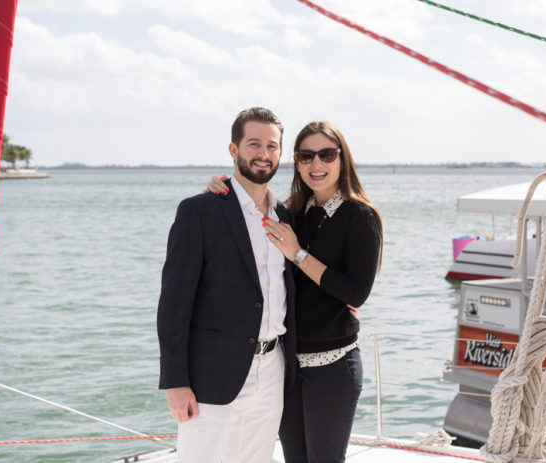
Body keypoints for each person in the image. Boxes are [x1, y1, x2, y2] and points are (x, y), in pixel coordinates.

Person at [206, 121, 382, 463]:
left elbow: (356, 293)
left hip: (333, 367)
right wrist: (220, 189)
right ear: (297, 162)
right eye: (306, 156)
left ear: (342, 159)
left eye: (326, 155)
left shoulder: (360, 216)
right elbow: (248, 219)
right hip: (287, 367)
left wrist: (299, 254)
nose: (316, 165)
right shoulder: (293, 212)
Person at [157, 107, 297, 463]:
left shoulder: (288, 217)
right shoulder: (200, 211)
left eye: (272, 146)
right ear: (234, 150)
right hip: (212, 375)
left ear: (281, 153)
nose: (263, 154)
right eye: (254, 144)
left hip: (273, 370)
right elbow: (174, 303)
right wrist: (175, 381)